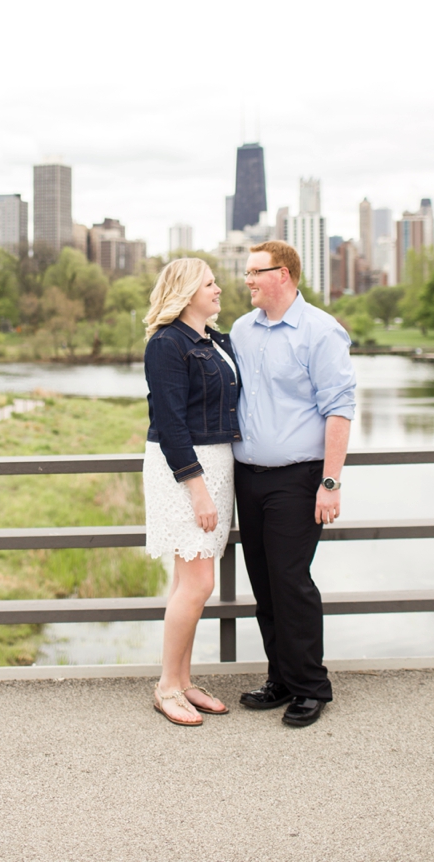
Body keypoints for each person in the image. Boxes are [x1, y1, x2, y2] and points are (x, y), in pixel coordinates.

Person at [228, 240, 356, 728]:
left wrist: (330, 481)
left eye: (255, 272)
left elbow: (339, 408)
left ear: (283, 274)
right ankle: (280, 678)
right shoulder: (241, 330)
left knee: (290, 581)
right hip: (249, 478)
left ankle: (310, 687)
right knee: (264, 584)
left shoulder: (321, 332)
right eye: (245, 272)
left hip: (299, 479)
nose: (247, 281)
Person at [141, 257, 241, 726]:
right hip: (187, 472)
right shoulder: (166, 344)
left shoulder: (213, 340)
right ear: (186, 291)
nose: (219, 289)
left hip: (216, 467)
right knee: (199, 582)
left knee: (190, 581)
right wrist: (198, 490)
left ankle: (182, 680)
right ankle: (166, 686)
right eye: (210, 283)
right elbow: (171, 424)